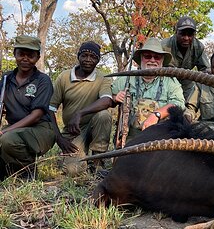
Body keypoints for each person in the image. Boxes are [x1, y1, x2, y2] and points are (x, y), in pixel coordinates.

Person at [49, 41, 113, 176]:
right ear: (78, 56)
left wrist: (80, 113)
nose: (88, 60)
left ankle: (97, 162)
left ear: (98, 60)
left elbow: (107, 100)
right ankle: (79, 157)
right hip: (74, 131)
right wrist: (59, 138)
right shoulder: (64, 77)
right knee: (73, 171)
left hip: (94, 126)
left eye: (93, 57)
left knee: (104, 115)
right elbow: (50, 109)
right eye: (84, 55)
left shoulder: (103, 78)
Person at [0, 35, 56, 180]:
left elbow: (36, 115)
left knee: (7, 139)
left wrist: (6, 130)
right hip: (16, 129)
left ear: (37, 57)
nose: (25, 59)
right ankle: (11, 170)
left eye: (30, 55)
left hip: (41, 129)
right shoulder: (7, 78)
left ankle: (28, 171)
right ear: (14, 54)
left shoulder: (43, 80)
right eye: (21, 54)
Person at [112, 37, 185, 141]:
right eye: (147, 56)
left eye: (157, 57)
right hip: (130, 137)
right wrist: (115, 97)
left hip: (160, 137)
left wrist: (157, 115)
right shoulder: (126, 78)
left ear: (162, 60)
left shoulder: (171, 82)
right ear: (141, 58)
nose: (152, 60)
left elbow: (179, 104)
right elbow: (110, 96)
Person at [161, 16, 210, 101]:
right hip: (166, 81)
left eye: (190, 35)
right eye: (182, 34)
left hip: (187, 82)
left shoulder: (198, 47)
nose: (186, 38)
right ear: (176, 32)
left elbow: (205, 69)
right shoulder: (164, 46)